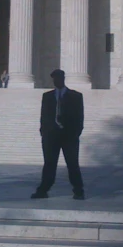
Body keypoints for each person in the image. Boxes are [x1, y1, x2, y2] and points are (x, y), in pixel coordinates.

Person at [31, 69, 85, 200]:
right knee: (49, 164)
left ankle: (78, 190)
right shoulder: (47, 96)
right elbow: (43, 116)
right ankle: (43, 190)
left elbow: (80, 117)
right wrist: (44, 132)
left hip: (69, 136)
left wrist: (76, 133)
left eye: (59, 78)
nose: (57, 81)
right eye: (54, 78)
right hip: (51, 137)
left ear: (63, 79)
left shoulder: (76, 96)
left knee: (72, 164)